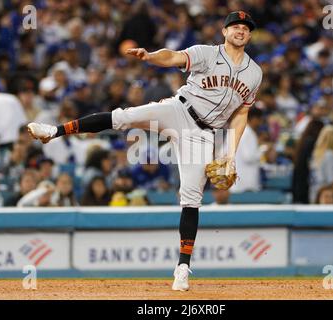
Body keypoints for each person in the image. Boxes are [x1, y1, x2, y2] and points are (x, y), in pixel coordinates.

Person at [27, 11, 262, 292]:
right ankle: (54, 131)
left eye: (245, 28)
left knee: (191, 195)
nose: (240, 30)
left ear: (249, 35)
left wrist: (230, 153)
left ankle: (182, 268)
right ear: (224, 32)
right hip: (178, 109)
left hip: (203, 134)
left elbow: (241, 113)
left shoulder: (254, 73)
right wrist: (150, 57)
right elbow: (172, 56)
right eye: (235, 26)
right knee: (123, 117)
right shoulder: (206, 53)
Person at [309, 125, 333, 204]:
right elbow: (331, 180)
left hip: (315, 193)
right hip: (328, 197)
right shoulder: (330, 155)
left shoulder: (316, 155)